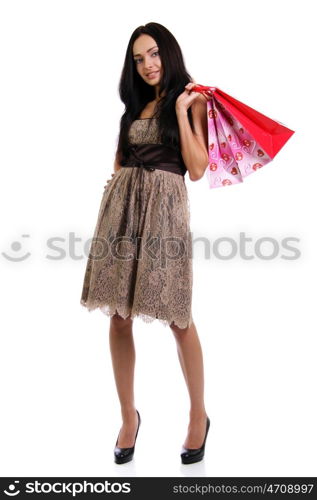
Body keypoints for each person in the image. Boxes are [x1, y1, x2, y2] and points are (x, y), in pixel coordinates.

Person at [80, 22, 211, 464]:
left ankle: (198, 416)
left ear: (168, 53)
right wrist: (116, 196)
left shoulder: (191, 99)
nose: (147, 64)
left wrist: (179, 114)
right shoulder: (132, 108)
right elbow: (119, 161)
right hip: (121, 216)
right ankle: (128, 417)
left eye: (153, 54)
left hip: (165, 217)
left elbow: (196, 169)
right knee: (118, 317)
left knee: (178, 317)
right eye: (139, 59)